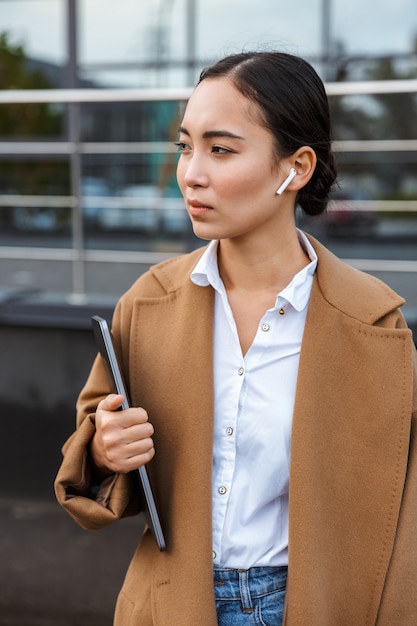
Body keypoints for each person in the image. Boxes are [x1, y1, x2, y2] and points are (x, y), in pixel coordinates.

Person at [55, 51, 417, 626]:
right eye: (185, 145)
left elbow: (399, 524)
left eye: (220, 149)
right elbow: (90, 465)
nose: (192, 172)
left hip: (313, 606)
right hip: (175, 603)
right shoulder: (148, 304)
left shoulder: (372, 323)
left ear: (294, 168)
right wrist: (105, 451)